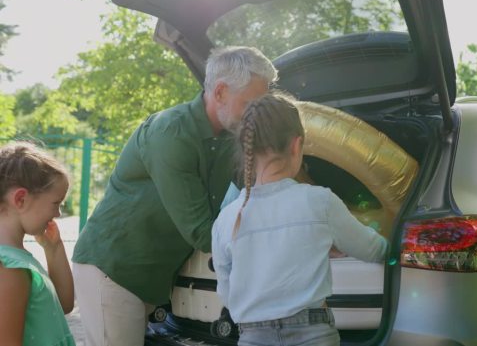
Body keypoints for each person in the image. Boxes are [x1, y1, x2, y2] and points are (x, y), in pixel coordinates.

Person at [71, 46, 278, 346]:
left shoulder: (230, 136)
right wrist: (279, 238)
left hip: (153, 279)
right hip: (114, 272)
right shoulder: (171, 133)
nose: (256, 117)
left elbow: (266, 184)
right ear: (220, 92)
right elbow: (202, 233)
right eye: (250, 104)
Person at [211, 93, 388, 346]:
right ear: (296, 146)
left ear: (247, 151)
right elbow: (372, 249)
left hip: (252, 337)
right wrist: (397, 248)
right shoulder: (319, 202)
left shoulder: (225, 220)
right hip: (313, 335)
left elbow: (228, 294)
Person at [0, 142, 75, 346]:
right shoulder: (9, 268)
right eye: (55, 203)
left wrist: (54, 249)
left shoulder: (18, 258)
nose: (57, 214)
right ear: (21, 199)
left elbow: (64, 305)